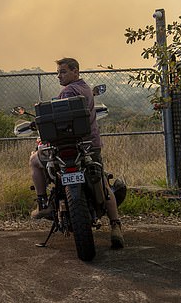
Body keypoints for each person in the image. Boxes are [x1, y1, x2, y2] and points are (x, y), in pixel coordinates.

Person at [29, 57, 124, 249]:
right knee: (103, 182)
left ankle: (42, 204)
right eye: (58, 72)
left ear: (75, 71)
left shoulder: (67, 92)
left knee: (33, 160)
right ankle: (115, 226)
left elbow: (57, 120)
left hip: (63, 148)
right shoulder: (86, 89)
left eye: (63, 72)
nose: (59, 76)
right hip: (90, 145)